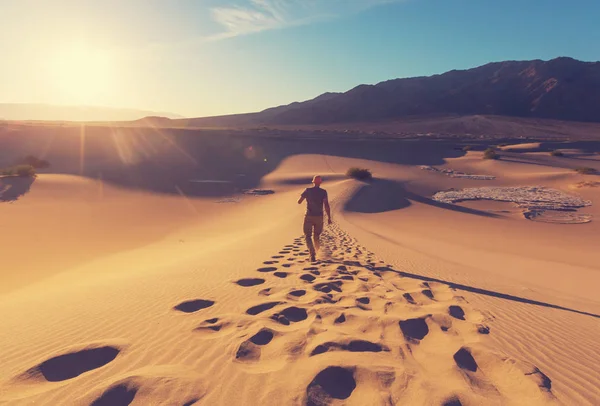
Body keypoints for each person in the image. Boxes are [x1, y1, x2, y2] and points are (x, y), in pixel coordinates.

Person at [298, 175, 332, 262]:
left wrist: (306, 198)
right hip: (319, 217)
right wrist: (329, 217)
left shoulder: (308, 190)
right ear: (320, 183)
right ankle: (317, 251)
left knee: (307, 236)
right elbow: (326, 205)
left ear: (313, 182)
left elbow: (299, 201)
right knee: (316, 236)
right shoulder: (323, 192)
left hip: (309, 216)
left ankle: (312, 252)